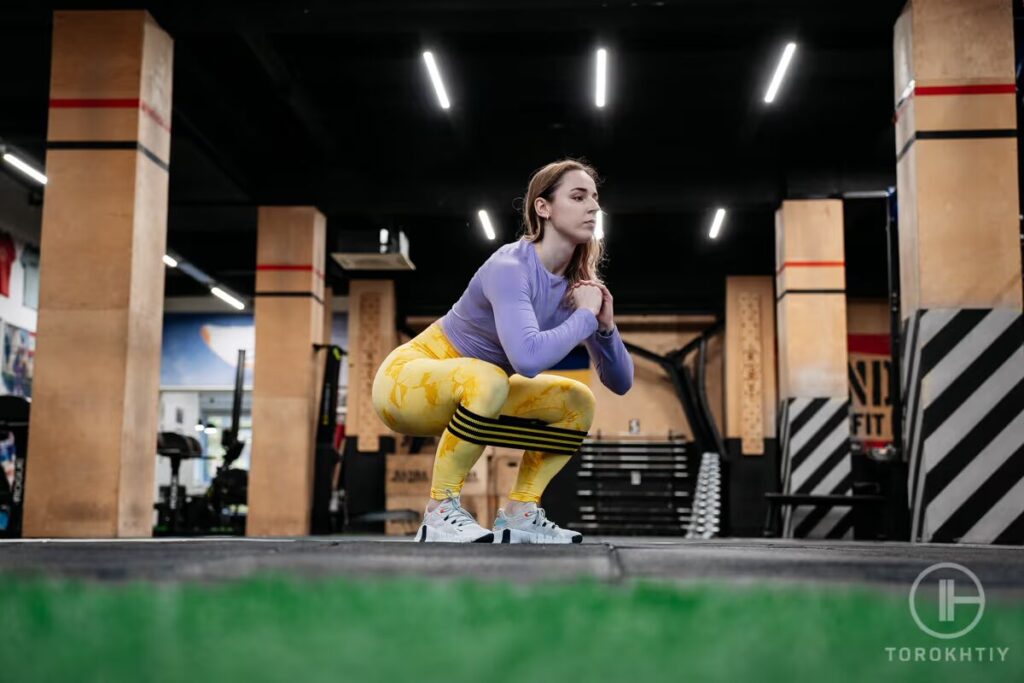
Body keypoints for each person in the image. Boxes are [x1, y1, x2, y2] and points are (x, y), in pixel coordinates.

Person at [371, 159, 633, 543]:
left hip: (478, 392)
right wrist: (585, 318)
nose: (593, 206)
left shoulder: (578, 290)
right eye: (578, 197)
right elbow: (527, 360)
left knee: (578, 401)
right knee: (490, 377)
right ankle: (439, 511)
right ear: (542, 208)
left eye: (595, 198)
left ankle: (520, 513)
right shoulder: (510, 266)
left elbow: (621, 382)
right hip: (404, 384)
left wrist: (605, 328)